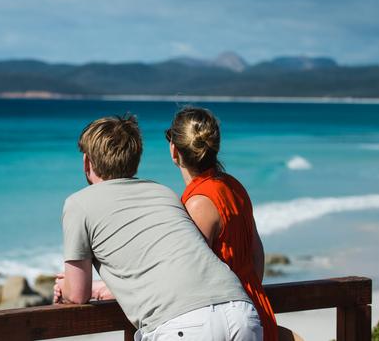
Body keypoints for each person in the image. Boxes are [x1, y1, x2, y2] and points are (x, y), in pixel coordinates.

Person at [54, 114, 263, 341]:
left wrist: (64, 285)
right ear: (136, 159)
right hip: (241, 312)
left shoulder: (78, 204)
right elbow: (163, 263)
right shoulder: (164, 193)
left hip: (182, 323)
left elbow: (76, 294)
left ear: (87, 162)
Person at [165, 107, 278, 341]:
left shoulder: (198, 204)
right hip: (255, 309)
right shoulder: (233, 186)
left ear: (174, 151)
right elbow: (256, 254)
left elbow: (191, 277)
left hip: (227, 322)